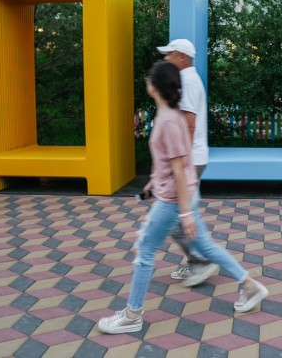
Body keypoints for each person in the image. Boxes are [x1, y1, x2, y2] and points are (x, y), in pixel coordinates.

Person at [97, 61, 268, 334]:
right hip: (182, 193)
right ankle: (249, 286)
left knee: (145, 251)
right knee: (206, 247)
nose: (147, 81)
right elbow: (171, 161)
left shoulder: (168, 120)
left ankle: (132, 315)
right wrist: (154, 182)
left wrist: (185, 212)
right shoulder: (169, 115)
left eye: (149, 78)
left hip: (174, 200)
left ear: (155, 86)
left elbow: (178, 166)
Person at [156, 38, 216, 287]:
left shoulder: (189, 82)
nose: (166, 58)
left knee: (175, 218)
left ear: (182, 57)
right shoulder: (188, 79)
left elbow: (189, 123)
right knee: (185, 216)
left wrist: (181, 159)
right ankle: (199, 260)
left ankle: (200, 261)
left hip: (191, 158)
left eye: (169, 54)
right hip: (194, 157)